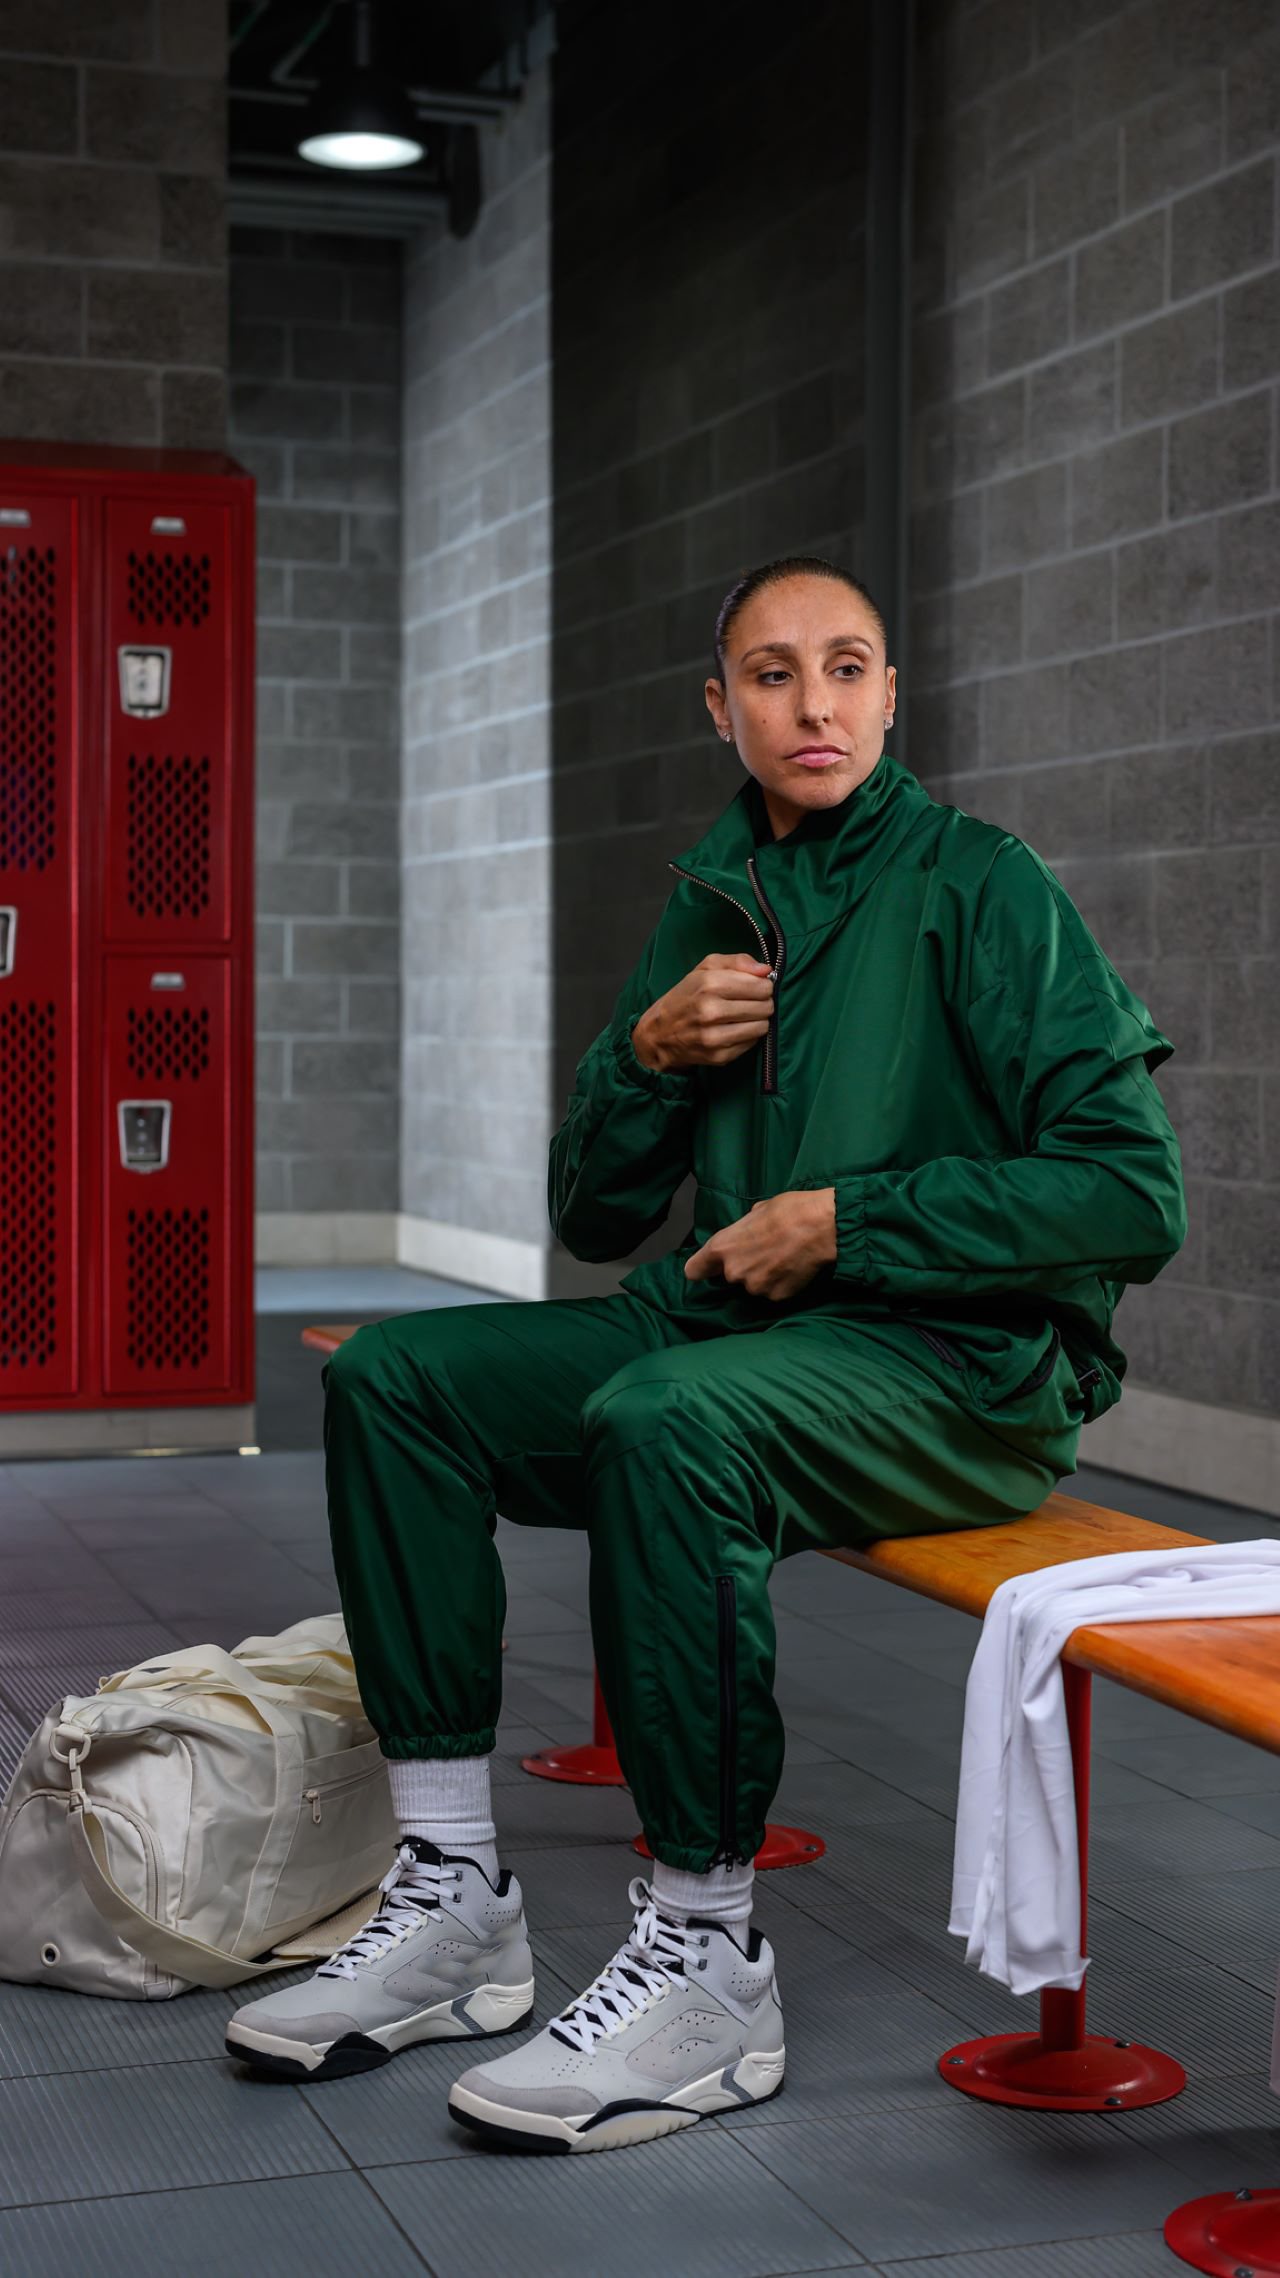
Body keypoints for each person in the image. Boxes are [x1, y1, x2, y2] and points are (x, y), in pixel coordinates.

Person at [225, 554, 1187, 2154]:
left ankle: (707, 1956)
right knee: (396, 1381)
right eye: (772, 672)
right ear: (718, 704)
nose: (815, 704)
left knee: (670, 1419)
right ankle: (456, 1893)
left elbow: (1128, 1187)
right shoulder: (717, 891)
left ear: (891, 690)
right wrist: (646, 1057)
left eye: (850, 666)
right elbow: (595, 1209)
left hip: (961, 1365)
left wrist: (850, 1222)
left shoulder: (980, 882)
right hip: (736, 1328)